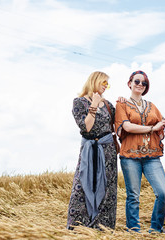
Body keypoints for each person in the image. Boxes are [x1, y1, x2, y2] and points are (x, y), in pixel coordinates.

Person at [115, 70, 165, 233]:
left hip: (152, 156)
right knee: (133, 196)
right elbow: (126, 126)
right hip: (130, 156)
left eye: (144, 83)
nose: (140, 84)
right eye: (137, 81)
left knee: (164, 193)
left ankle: (156, 229)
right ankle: (133, 231)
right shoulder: (121, 104)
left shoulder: (152, 106)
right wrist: (152, 128)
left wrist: (162, 124)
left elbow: (163, 123)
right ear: (129, 83)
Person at [67, 71, 118, 230]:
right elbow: (86, 127)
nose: (106, 86)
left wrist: (123, 102)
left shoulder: (109, 105)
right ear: (94, 81)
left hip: (107, 151)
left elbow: (117, 124)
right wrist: (94, 105)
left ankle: (103, 228)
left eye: (107, 84)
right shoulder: (79, 102)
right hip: (89, 150)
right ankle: (79, 227)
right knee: (82, 186)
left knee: (107, 188)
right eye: (104, 83)